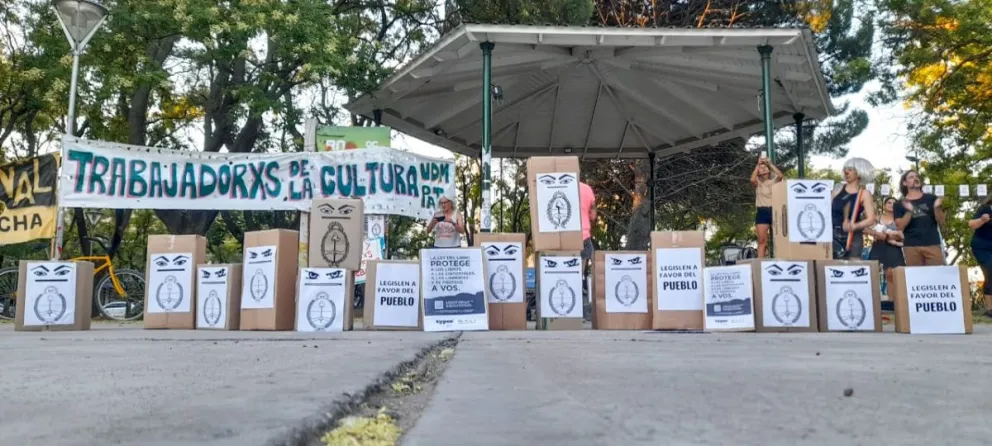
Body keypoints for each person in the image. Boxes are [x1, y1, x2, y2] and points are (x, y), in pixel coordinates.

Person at [894, 170, 945, 265]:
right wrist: (910, 211)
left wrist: (937, 208)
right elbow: (900, 226)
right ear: (905, 183)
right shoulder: (899, 204)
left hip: (932, 244)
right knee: (916, 277)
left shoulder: (931, 198)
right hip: (911, 247)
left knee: (937, 277)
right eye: (911, 177)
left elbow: (941, 221)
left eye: (917, 176)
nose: (915, 178)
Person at [831, 158, 877, 259]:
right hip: (833, 235)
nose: (846, 172)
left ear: (859, 173)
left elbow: (871, 219)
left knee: (853, 266)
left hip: (853, 237)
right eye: (845, 169)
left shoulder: (864, 194)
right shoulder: (837, 189)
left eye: (850, 169)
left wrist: (854, 226)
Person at [868, 196, 906, 293]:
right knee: (871, 273)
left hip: (894, 249)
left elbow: (903, 237)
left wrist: (887, 236)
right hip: (877, 247)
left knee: (893, 276)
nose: (891, 204)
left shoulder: (900, 220)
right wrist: (877, 234)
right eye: (889, 202)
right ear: (884, 205)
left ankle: (893, 301)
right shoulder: (877, 218)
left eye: (894, 203)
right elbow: (868, 229)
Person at [750, 154, 783, 258]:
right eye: (761, 168)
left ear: (769, 170)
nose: (763, 169)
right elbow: (752, 180)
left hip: (775, 211)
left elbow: (781, 176)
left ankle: (780, 260)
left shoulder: (774, 181)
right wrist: (757, 164)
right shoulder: (758, 183)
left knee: (779, 239)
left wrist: (769, 163)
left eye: (765, 167)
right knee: (762, 240)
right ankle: (760, 263)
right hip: (762, 212)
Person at [968, 197, 992, 317]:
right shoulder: (985, 208)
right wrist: (982, 220)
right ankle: (990, 309)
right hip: (982, 247)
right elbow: (971, 224)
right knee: (990, 270)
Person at [579, 181, 597, 263]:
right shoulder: (587, 188)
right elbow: (593, 216)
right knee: (579, 269)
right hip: (583, 234)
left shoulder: (558, 187)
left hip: (562, 234)